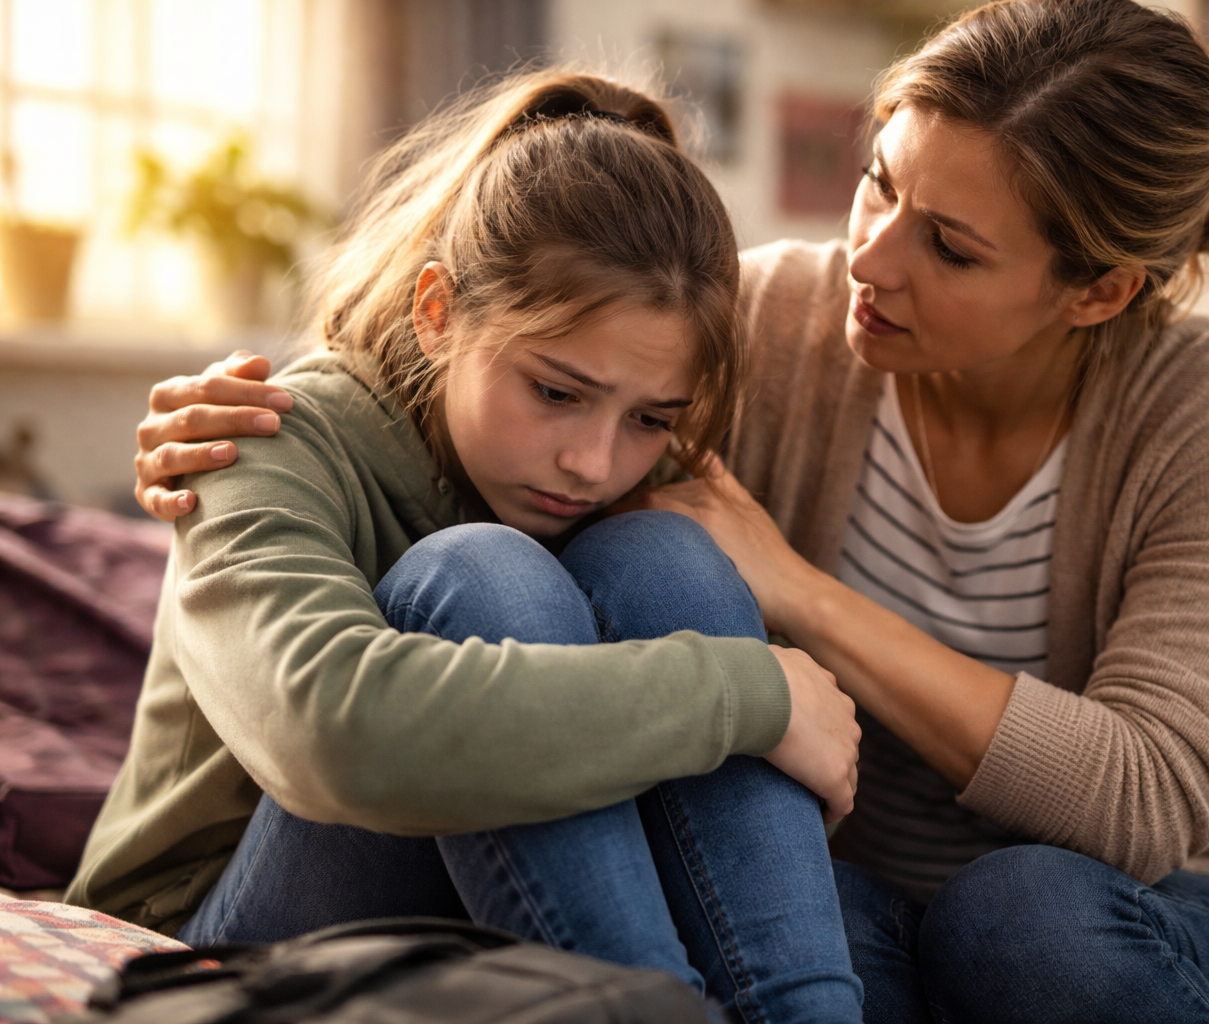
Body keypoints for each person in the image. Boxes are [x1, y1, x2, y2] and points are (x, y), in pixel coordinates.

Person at [128, 2, 1209, 1022]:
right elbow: (480, 347)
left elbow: (1144, 804)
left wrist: (795, 599)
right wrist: (253, 427)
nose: (871, 254)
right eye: (878, 184)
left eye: (951, 247)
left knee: (1019, 915)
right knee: (630, 564)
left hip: (1171, 894)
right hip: (847, 883)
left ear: (1094, 293)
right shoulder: (765, 319)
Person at [70, 70, 868, 1024]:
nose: (591, 462)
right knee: (483, 574)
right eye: (556, 390)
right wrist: (751, 692)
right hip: (210, 935)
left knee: (667, 556)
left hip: (479, 925)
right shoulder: (255, 436)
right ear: (438, 311)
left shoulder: (627, 494)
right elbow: (332, 734)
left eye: (652, 417)